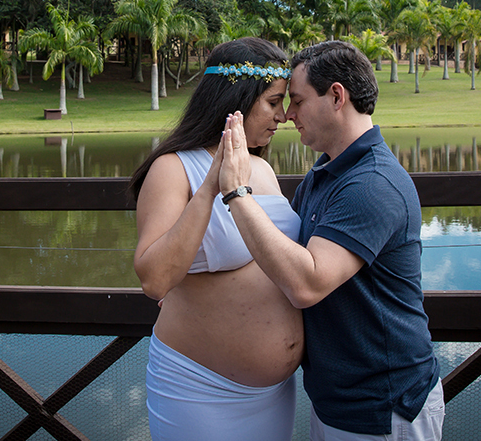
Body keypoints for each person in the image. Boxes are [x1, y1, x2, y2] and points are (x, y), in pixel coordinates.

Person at [219, 40, 444, 441]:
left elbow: (306, 283)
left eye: (298, 100)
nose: (288, 115)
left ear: (337, 96)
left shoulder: (372, 184)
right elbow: (278, 257)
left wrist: (237, 192)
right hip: (336, 402)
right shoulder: (324, 174)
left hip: (383, 408)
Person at [131, 37, 302, 441]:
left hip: (274, 393)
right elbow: (155, 280)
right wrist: (211, 187)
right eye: (273, 102)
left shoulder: (261, 168)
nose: (283, 116)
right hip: (198, 389)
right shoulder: (172, 169)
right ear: (237, 100)